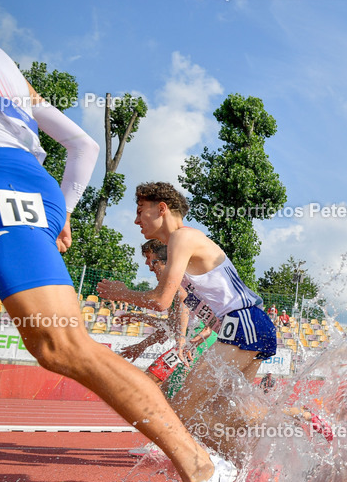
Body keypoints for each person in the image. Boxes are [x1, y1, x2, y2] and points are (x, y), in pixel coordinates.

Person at [0, 0, 233, 482]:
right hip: (13, 187)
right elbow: (84, 144)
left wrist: (49, 214)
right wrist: (62, 210)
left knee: (60, 346)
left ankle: (204, 470)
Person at [98, 183, 329, 453]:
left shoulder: (181, 238)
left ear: (162, 209)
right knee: (230, 415)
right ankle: (299, 416)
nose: (136, 220)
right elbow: (174, 311)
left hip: (243, 324)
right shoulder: (182, 247)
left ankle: (235, 468)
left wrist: (123, 293)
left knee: (184, 411)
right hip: (250, 325)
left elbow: (161, 300)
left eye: (140, 211)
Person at [120, 240, 218, 456]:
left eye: (151, 260)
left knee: (152, 385)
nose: (148, 266)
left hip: (197, 342)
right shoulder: (173, 283)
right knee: (166, 392)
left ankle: (171, 443)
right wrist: (141, 340)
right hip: (194, 342)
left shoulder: (176, 281)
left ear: (163, 261)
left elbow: (184, 306)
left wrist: (182, 343)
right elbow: (170, 326)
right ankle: (177, 442)